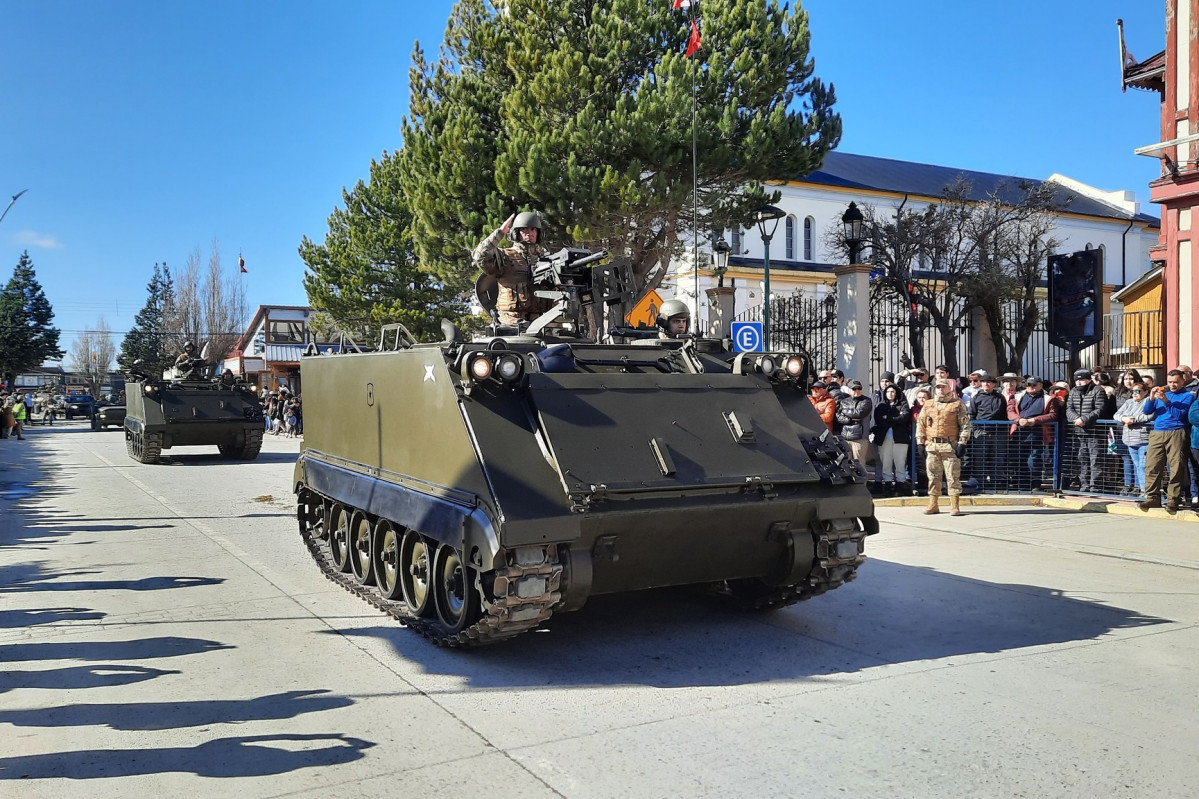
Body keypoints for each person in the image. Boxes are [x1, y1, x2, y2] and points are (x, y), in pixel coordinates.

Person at [473, 211, 550, 325]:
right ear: (516, 233)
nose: (529, 233)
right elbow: (480, 256)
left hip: (541, 323)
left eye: (533, 229)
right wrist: (500, 233)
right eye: (524, 229)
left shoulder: (546, 260)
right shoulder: (505, 257)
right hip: (511, 322)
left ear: (539, 233)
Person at [1139, 370, 1196, 512]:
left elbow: (1180, 415)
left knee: (1176, 467)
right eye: (1170, 382)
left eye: (1176, 382)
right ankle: (1152, 497)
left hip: (1176, 431)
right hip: (1158, 431)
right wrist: (1151, 398)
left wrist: (1165, 401)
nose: (1172, 385)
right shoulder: (1163, 393)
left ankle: (1173, 499)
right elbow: (1147, 411)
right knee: (1152, 465)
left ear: (1183, 381)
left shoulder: (1188, 396)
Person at [915, 378, 971, 515]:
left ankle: (954, 505)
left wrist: (962, 443)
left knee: (952, 476)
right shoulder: (928, 404)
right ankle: (933, 504)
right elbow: (920, 424)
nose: (940, 389)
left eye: (943, 387)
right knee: (933, 476)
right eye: (938, 387)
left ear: (948, 388)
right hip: (932, 446)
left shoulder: (957, 404)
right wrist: (919, 442)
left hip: (950, 446)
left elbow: (965, 425)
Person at [1007, 376, 1059, 491]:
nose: (1030, 387)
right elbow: (1010, 411)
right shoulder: (1016, 397)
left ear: (1040, 385)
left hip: (1037, 432)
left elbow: (1052, 415)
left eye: (1033, 385)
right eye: (1028, 384)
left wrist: (1034, 420)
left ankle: (1035, 483)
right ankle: (1022, 483)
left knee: (1034, 459)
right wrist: (1019, 419)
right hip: (1019, 432)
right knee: (1019, 459)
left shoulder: (1048, 399)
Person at [1065, 368, 1106, 493]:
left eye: (1082, 380)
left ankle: (1095, 486)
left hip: (1094, 431)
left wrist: (1085, 419)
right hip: (1078, 431)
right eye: (1077, 380)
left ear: (1088, 380)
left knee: (1095, 459)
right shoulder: (1073, 391)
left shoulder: (1098, 390)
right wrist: (1076, 419)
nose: (1079, 382)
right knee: (1082, 459)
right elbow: (1069, 408)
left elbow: (1100, 409)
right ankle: (1084, 485)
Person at [870, 384, 911, 495]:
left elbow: (904, 418)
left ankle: (900, 485)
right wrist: (895, 418)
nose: (890, 394)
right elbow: (879, 420)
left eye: (893, 391)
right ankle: (887, 484)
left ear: (896, 393)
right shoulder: (881, 406)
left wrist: (888, 417)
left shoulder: (903, 404)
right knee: (886, 461)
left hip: (900, 438)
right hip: (884, 438)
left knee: (900, 462)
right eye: (888, 392)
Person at [969, 374, 1008, 489]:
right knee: (980, 458)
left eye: (989, 382)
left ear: (994, 384)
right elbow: (972, 414)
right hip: (981, 432)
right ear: (981, 383)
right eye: (984, 381)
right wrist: (975, 430)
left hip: (998, 433)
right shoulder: (976, 397)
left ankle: (996, 483)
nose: (987, 384)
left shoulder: (1000, 397)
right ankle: (981, 482)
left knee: (997, 459)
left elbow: (1005, 414)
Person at [1116, 382, 1153, 497]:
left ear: (1145, 392)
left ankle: (1146, 490)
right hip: (1129, 439)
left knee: (1143, 465)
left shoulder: (1148, 402)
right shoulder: (1128, 402)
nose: (1134, 394)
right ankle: (1143, 490)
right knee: (1137, 465)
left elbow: (1150, 416)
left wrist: (1133, 420)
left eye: (1137, 391)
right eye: (1132, 391)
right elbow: (1116, 415)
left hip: (1143, 439)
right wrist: (1123, 418)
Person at [835, 380, 873, 472]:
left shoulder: (867, 401)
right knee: (846, 464)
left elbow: (859, 414)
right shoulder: (844, 401)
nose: (857, 390)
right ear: (849, 390)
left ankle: (862, 484)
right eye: (854, 388)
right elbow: (838, 416)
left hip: (859, 438)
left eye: (859, 388)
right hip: (845, 438)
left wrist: (845, 412)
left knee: (859, 464)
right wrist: (849, 419)